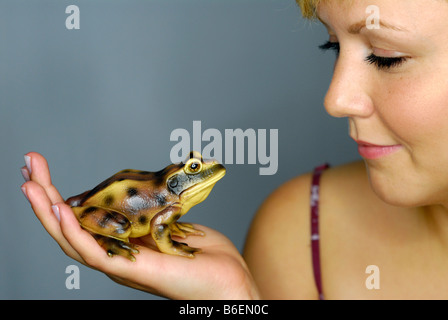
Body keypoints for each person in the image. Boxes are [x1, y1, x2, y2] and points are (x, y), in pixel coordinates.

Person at [20, 0, 448, 299]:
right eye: (332, 46)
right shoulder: (299, 228)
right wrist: (236, 299)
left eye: (386, 55)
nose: (334, 99)